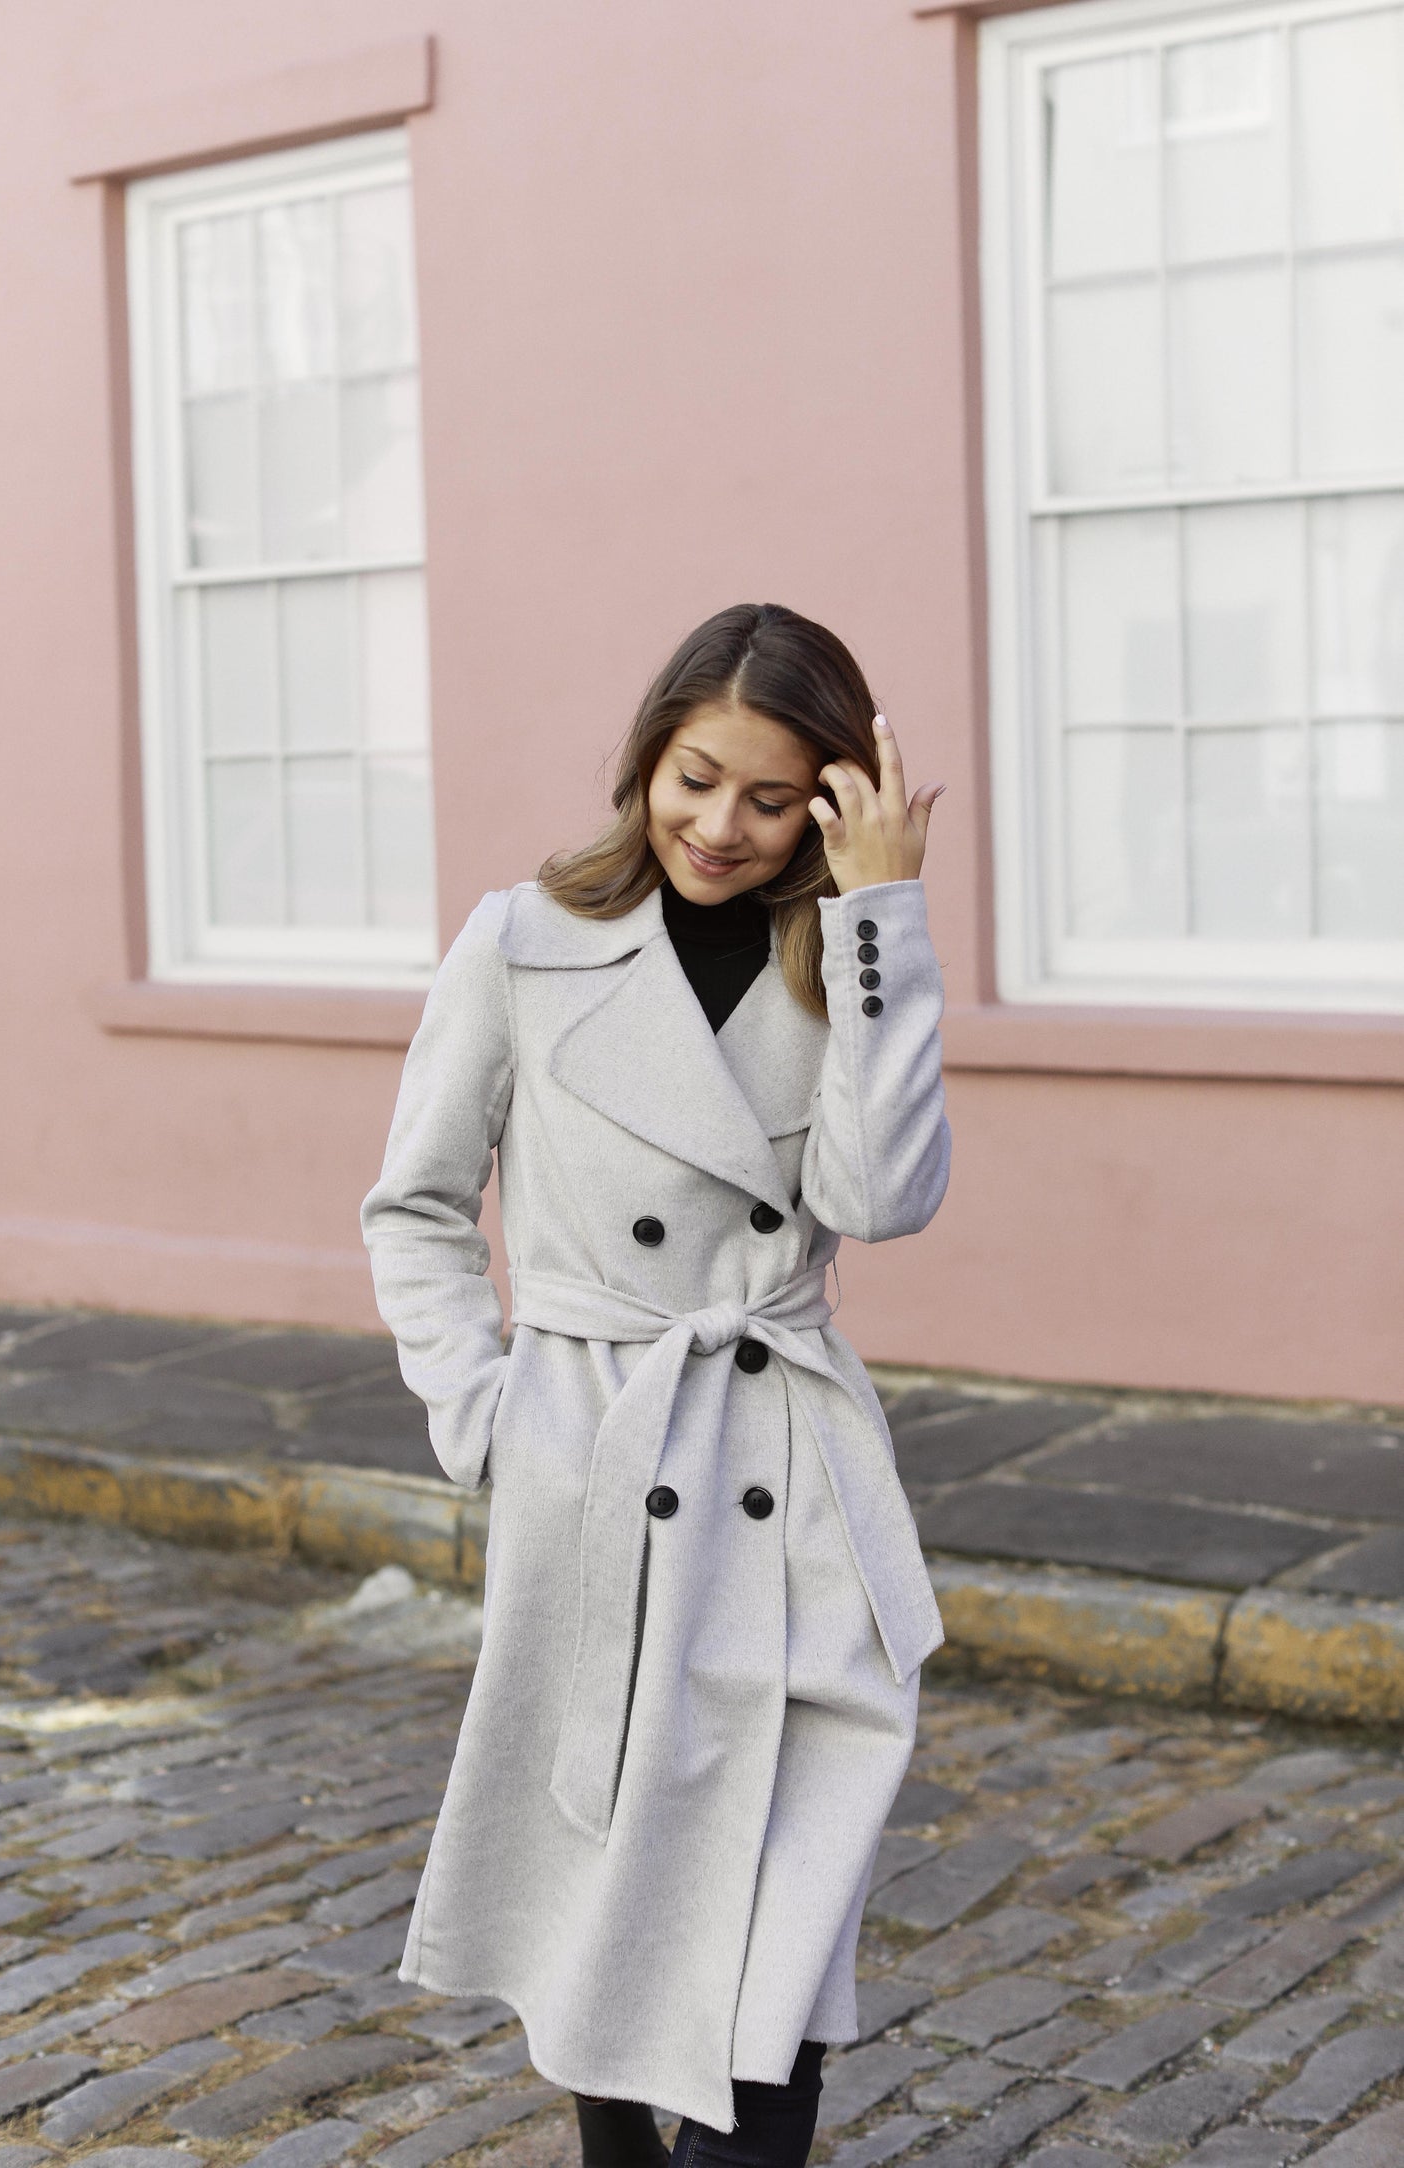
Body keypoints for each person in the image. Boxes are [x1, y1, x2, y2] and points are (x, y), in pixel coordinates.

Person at [360, 602, 951, 2168]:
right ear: (646, 756)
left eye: (773, 799)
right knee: (611, 1900)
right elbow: (415, 1204)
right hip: (599, 1463)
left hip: (786, 1470)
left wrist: (881, 908)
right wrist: (487, 1418)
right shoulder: (522, 939)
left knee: (782, 1911)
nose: (722, 828)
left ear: (828, 798)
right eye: (696, 778)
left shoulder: (844, 952)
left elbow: (881, 1199)